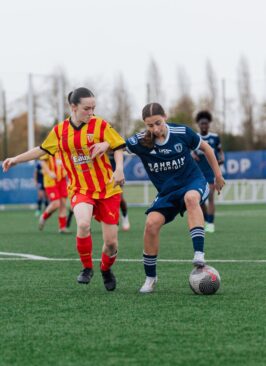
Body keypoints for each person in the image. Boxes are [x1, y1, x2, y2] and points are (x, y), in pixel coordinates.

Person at [2, 87, 126, 291]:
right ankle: (87, 268)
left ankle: (105, 269)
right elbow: (42, 149)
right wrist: (16, 159)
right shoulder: (60, 131)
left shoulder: (100, 124)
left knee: (111, 244)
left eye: (94, 107)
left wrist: (119, 168)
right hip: (80, 189)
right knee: (83, 224)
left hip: (108, 189)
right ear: (73, 107)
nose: (91, 112)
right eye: (87, 108)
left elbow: (119, 145)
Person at [126, 102, 225, 293]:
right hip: (168, 192)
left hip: (193, 181)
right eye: (149, 125)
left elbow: (208, 149)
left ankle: (199, 253)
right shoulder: (141, 141)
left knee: (190, 198)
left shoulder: (182, 132)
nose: (155, 129)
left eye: (158, 123)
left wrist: (218, 176)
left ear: (165, 117)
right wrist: (106, 146)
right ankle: (150, 278)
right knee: (151, 224)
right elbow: (117, 146)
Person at [192, 111, 225, 233]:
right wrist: (192, 154)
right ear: (198, 124)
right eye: (202, 124)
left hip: (211, 172)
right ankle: (206, 219)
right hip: (198, 173)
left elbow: (220, 151)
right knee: (200, 200)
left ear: (209, 124)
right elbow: (189, 150)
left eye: (206, 123)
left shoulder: (214, 137)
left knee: (210, 197)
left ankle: (210, 223)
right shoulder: (194, 137)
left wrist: (222, 159)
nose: (204, 126)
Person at [38, 151, 69, 233]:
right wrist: (49, 172)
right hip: (50, 180)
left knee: (63, 203)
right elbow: (42, 162)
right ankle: (44, 217)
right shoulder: (49, 146)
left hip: (62, 180)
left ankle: (62, 227)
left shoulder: (63, 147)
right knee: (56, 203)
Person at [109, 152, 130, 231]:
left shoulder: (115, 146)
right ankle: (114, 220)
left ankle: (125, 217)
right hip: (104, 173)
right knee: (108, 200)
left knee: (120, 197)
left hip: (116, 173)